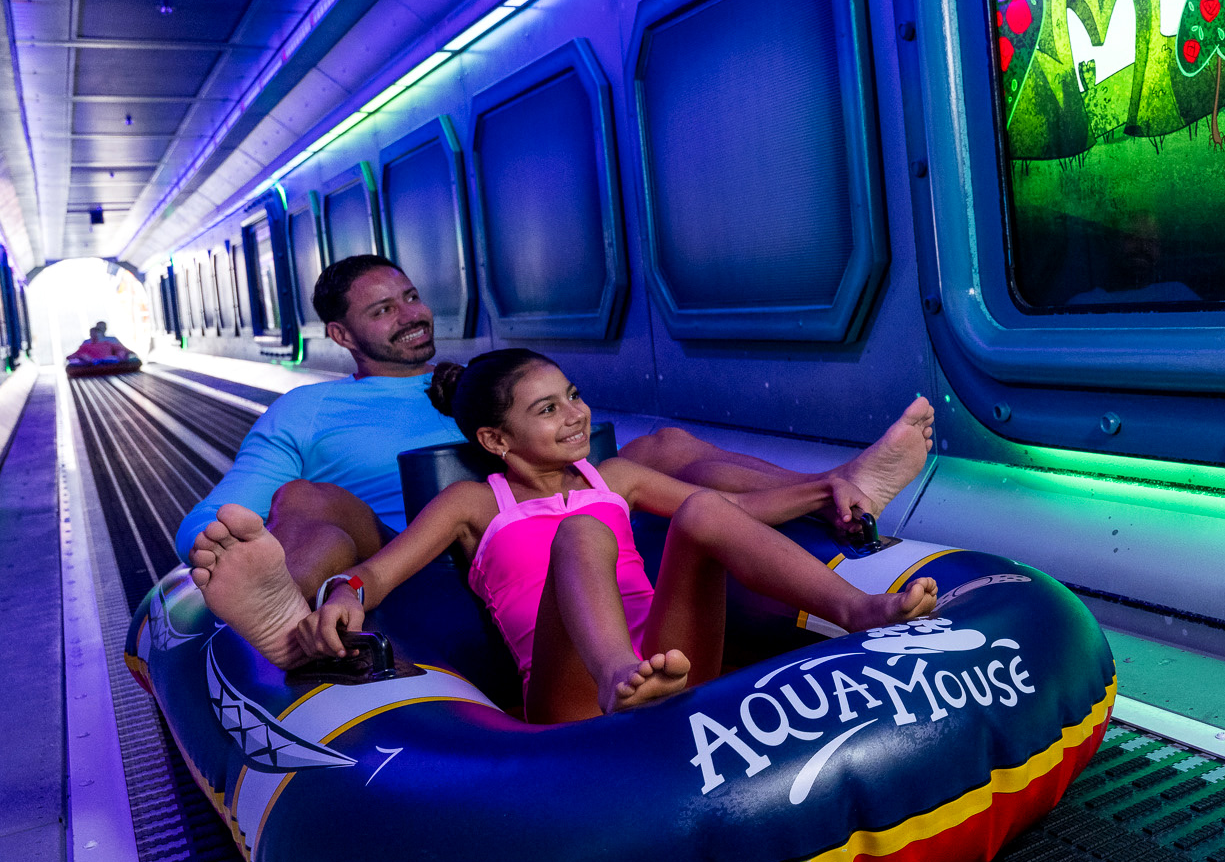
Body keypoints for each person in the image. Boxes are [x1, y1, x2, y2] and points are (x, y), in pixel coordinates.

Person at [174, 253, 935, 622]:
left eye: (410, 296)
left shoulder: (483, 381)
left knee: (664, 448)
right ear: (342, 335)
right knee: (306, 497)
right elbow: (209, 523)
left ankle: (841, 491)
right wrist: (224, 549)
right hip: (416, 549)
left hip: (553, 513)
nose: (410, 315)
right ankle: (290, 615)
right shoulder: (306, 414)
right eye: (382, 311)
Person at [188, 350, 939, 720]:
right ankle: (618, 677)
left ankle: (860, 611)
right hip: (575, 690)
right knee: (581, 534)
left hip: (673, 658)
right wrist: (346, 591)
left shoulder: (618, 477)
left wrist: (825, 492)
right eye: (547, 410)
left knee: (706, 512)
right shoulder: (472, 503)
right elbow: (380, 573)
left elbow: (738, 521)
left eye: (573, 396)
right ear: (496, 439)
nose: (575, 414)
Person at [69, 322, 137, 364]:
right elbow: (77, 353)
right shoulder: (86, 344)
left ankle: (122, 364)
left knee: (120, 353)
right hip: (92, 361)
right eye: (93, 334)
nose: (95, 336)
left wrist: (127, 353)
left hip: (107, 360)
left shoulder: (108, 342)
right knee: (84, 357)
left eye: (97, 334)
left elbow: (121, 348)